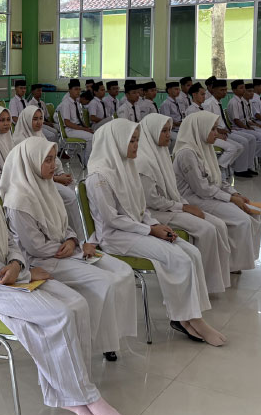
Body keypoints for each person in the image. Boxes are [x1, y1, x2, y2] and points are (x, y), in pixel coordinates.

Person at [0, 138, 127, 415]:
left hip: (11, 276)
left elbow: (9, 242)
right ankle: (80, 396)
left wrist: (18, 265)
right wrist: (21, 271)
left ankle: (74, 386)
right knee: (58, 314)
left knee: (77, 303)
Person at [86, 119, 222, 346]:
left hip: (137, 229)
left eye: (137, 140)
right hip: (115, 237)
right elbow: (112, 219)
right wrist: (150, 229)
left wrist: (156, 226)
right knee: (177, 258)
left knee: (191, 252)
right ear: (116, 142)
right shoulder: (99, 177)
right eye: (131, 141)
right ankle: (188, 318)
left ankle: (189, 315)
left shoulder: (127, 166)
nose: (136, 146)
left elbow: (141, 208)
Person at [1, 136, 138, 360]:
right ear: (31, 162)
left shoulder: (46, 186)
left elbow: (65, 225)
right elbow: (35, 247)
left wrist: (73, 240)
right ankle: (102, 342)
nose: (53, 165)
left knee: (122, 271)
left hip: (64, 251)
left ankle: (112, 333)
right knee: (103, 281)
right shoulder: (18, 201)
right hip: (43, 260)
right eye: (47, 160)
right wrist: (67, 247)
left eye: (54, 159)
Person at [136, 114, 231, 293]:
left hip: (172, 206)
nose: (168, 135)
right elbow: (152, 201)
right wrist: (184, 207)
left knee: (218, 224)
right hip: (156, 213)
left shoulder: (162, 153)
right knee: (206, 229)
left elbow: (173, 190)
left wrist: (185, 206)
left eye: (169, 130)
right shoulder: (143, 162)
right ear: (151, 132)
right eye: (163, 131)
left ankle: (216, 279)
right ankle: (203, 285)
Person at [173, 112, 261, 273]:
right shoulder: (187, 153)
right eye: (212, 129)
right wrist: (230, 199)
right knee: (242, 219)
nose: (217, 133)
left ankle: (237, 259)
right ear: (200, 129)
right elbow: (202, 188)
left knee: (254, 212)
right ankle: (231, 265)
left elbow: (218, 179)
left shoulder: (205, 147)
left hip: (209, 194)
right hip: (193, 199)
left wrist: (235, 194)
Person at [13, 105, 84, 238]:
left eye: (40, 118)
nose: (39, 122)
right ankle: (78, 237)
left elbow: (55, 160)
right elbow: (29, 172)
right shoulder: (19, 141)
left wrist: (61, 173)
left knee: (77, 189)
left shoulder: (40, 136)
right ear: (26, 120)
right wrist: (57, 179)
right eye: (35, 119)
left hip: (51, 177)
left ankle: (77, 232)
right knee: (70, 197)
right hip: (36, 183)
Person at [203, 80, 258, 178]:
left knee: (240, 147)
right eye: (221, 90)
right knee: (240, 144)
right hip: (213, 134)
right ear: (214, 90)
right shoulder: (208, 104)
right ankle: (217, 169)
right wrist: (218, 132)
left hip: (224, 131)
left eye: (225, 90)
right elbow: (206, 124)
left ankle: (224, 166)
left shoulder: (218, 103)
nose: (224, 92)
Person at [227, 80, 261, 167]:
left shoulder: (244, 102)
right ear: (234, 90)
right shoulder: (234, 102)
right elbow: (237, 120)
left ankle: (253, 156)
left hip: (247, 125)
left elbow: (249, 119)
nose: (244, 90)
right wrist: (247, 127)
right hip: (239, 128)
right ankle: (249, 157)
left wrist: (257, 125)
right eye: (242, 88)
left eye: (244, 88)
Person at [58, 79, 94, 165]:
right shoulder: (66, 103)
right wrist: (83, 129)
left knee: (94, 133)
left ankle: (82, 155)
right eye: (76, 89)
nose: (78, 92)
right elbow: (67, 122)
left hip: (77, 128)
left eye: (79, 89)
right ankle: (86, 161)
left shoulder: (77, 103)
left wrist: (86, 128)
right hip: (70, 130)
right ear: (69, 90)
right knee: (92, 138)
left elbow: (80, 119)